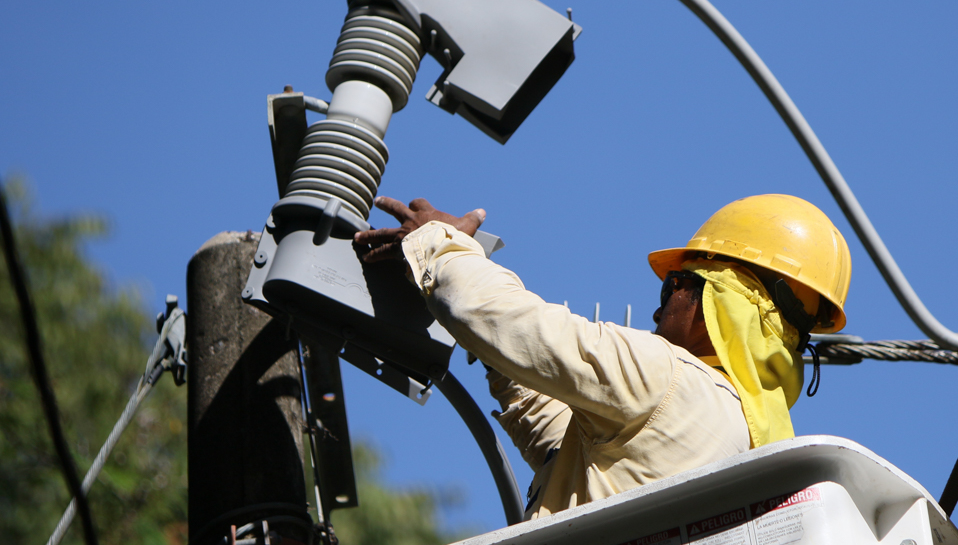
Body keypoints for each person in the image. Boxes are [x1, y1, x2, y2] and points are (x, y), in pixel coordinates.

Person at [354, 193, 851, 518]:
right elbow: (565, 455)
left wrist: (440, 244)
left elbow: (508, 322)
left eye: (673, 287)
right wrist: (496, 355)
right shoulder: (741, 439)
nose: (659, 312)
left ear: (719, 302)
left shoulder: (669, 377)